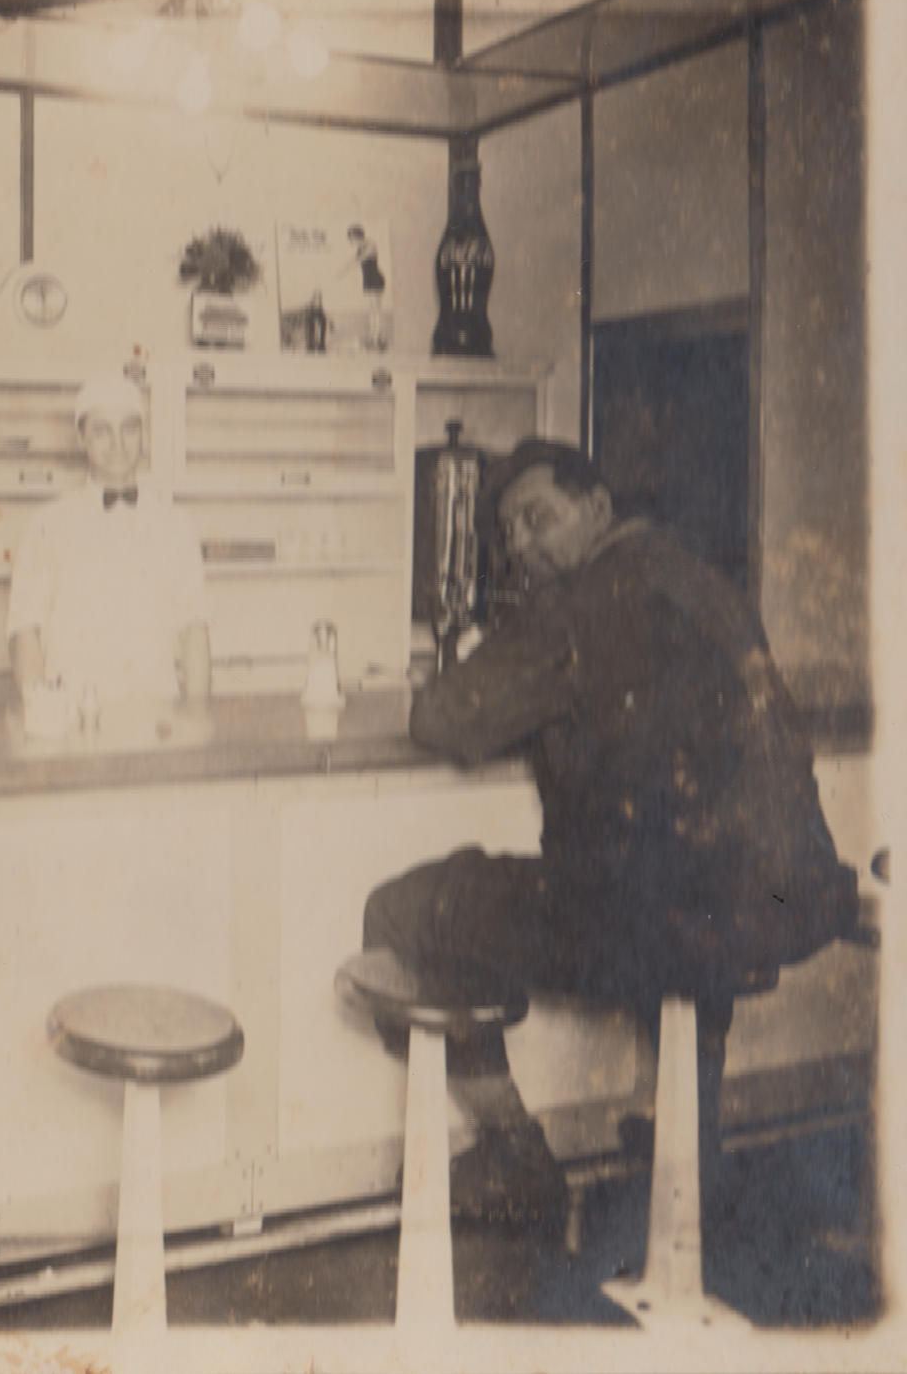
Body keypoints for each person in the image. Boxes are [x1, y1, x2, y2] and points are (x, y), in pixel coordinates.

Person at [361, 438, 858, 1225]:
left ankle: (515, 1156)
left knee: (403, 910)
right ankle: (694, 1146)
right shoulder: (704, 578)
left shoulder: (574, 601)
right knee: (697, 884)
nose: (522, 543)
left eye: (538, 517)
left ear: (597, 507)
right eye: (510, 532)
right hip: (790, 897)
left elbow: (446, 718)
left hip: (662, 915)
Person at [7, 375, 211, 718]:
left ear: (143, 435)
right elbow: (24, 630)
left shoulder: (176, 523)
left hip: (156, 716)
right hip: (71, 713)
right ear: (81, 438)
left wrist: (199, 719)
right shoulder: (47, 523)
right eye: (102, 430)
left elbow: (195, 632)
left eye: (129, 429)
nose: (118, 443)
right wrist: (44, 716)